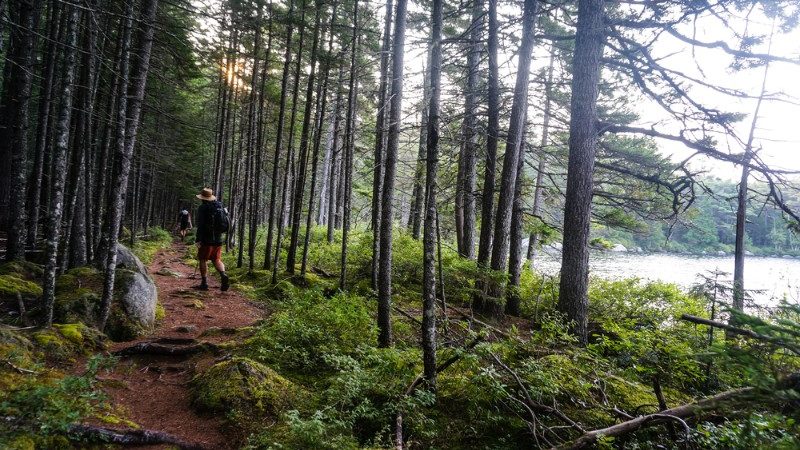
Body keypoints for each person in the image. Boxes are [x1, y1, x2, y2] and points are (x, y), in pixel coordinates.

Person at [194, 188, 230, 291]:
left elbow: (200, 225)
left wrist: (198, 239)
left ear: (203, 198)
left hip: (206, 238)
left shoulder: (203, 208)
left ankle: (204, 283)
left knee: (202, 259)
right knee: (217, 259)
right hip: (218, 238)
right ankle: (223, 275)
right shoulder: (219, 206)